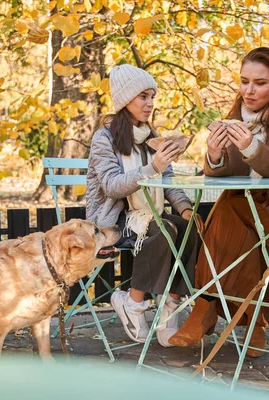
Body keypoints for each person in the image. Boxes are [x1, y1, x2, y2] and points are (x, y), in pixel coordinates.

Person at [168, 47, 269, 357]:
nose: (249, 91)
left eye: (260, 83)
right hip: (245, 209)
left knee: (226, 215)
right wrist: (214, 154)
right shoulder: (236, 117)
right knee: (236, 221)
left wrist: (252, 147)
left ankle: (205, 309)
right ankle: (251, 321)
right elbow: (227, 171)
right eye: (244, 82)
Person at [86, 64, 200, 347]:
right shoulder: (105, 138)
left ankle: (169, 305)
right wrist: (152, 168)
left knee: (190, 227)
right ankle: (133, 302)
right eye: (143, 97)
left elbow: (169, 180)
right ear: (125, 100)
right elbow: (112, 185)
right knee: (163, 231)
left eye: (152, 97)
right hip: (113, 221)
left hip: (149, 214)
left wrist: (185, 208)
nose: (150, 104)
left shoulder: (152, 136)